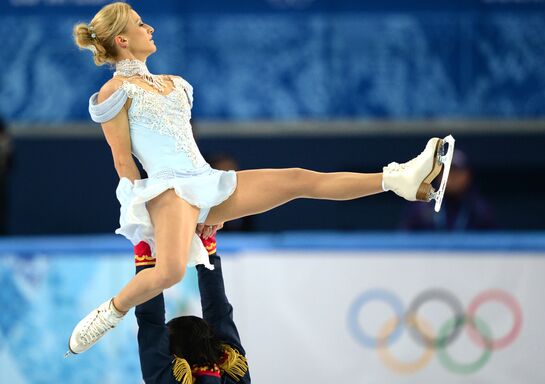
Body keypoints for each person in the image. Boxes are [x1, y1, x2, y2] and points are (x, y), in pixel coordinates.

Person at [67, 2, 453, 355]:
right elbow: (123, 161)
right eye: (139, 23)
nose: (149, 27)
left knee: (299, 179)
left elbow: (185, 144)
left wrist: (211, 201)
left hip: (205, 179)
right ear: (122, 39)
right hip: (167, 189)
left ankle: (398, 180)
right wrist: (142, 215)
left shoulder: (175, 83)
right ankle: (108, 312)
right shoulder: (114, 92)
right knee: (168, 271)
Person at [134, 230, 250, 384]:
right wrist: (144, 249)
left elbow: (219, 312)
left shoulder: (237, 378)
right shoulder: (166, 380)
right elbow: (150, 321)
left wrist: (208, 249)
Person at [400, 149, 496, 231]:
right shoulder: (422, 209)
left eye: (457, 173)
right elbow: (404, 242)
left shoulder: (479, 210)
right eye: (446, 172)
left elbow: (495, 245)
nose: (451, 178)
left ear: (468, 176)